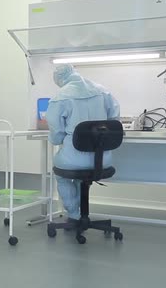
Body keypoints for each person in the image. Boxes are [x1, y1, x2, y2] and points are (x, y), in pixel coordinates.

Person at [46, 64, 120, 225]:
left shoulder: (61, 97)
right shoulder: (102, 91)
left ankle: (73, 213)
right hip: (102, 160)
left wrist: (62, 138)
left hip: (73, 160)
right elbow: (114, 117)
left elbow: (56, 135)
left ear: (60, 79)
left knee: (62, 175)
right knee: (82, 175)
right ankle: (81, 214)